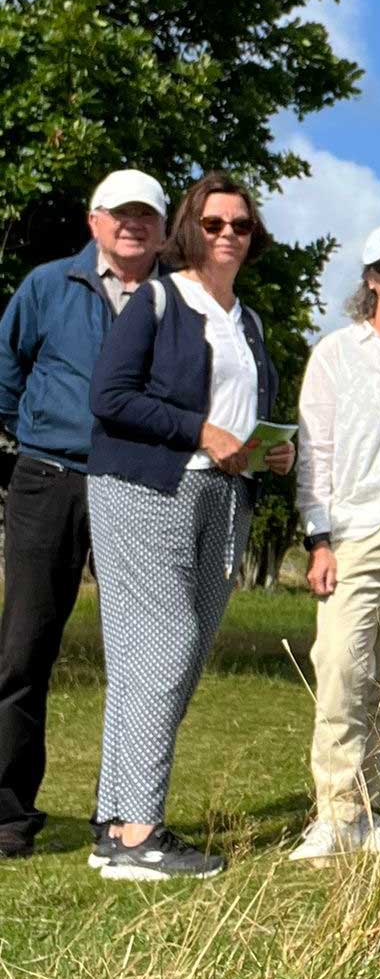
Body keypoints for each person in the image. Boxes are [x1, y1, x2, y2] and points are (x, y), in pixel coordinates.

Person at [86, 171, 294, 880]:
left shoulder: (250, 319)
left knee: (181, 652)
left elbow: (240, 414)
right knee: (163, 645)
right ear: (189, 229)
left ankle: (114, 823)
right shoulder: (159, 298)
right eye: (213, 223)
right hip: (146, 488)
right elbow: (110, 396)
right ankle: (142, 832)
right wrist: (201, 429)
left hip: (222, 497)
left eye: (240, 223)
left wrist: (270, 447)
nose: (228, 234)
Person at [0, 169, 169, 859]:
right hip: (51, 479)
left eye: (145, 216)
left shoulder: (175, 301)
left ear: (162, 230)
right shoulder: (48, 284)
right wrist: (32, 441)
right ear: (94, 219)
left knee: (141, 658)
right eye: (118, 213)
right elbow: (5, 371)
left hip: (136, 485)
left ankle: (127, 815)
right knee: (24, 650)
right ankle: (7, 813)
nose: (131, 224)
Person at [289, 223, 380, 860]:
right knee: (344, 667)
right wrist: (318, 536)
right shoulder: (337, 353)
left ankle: (366, 810)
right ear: (370, 277)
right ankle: (332, 814)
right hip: (356, 529)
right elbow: (313, 448)